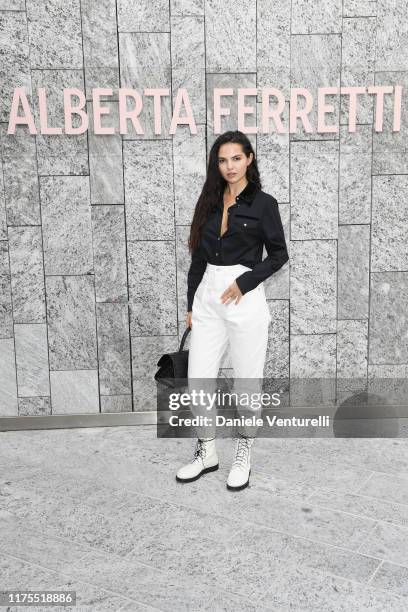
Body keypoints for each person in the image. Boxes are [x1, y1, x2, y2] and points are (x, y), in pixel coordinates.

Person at [176, 130, 289, 491]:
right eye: (223, 160)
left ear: (250, 159)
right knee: (198, 380)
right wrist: (192, 303)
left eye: (236, 158)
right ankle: (207, 451)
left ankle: (244, 451)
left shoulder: (264, 204)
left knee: (246, 382)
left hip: (245, 299)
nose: (229, 166)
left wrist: (244, 282)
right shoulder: (209, 200)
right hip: (208, 296)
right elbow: (198, 257)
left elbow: (278, 255)